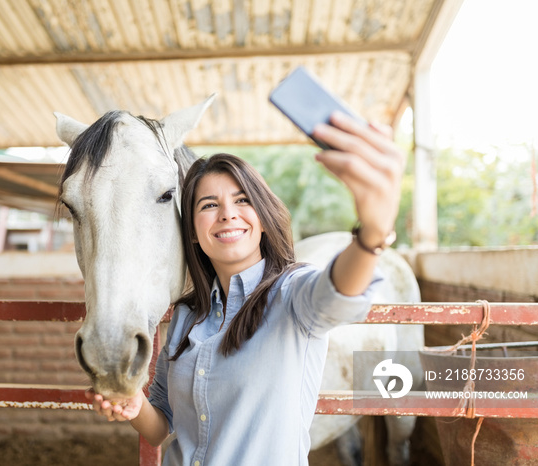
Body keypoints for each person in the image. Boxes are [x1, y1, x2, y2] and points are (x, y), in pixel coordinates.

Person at [86, 111, 405, 465]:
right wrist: (134, 405)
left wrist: (372, 235)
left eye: (242, 201)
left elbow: (336, 296)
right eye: (209, 205)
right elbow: (160, 426)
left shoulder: (291, 296)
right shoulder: (187, 315)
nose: (227, 214)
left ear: (263, 219)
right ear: (192, 231)